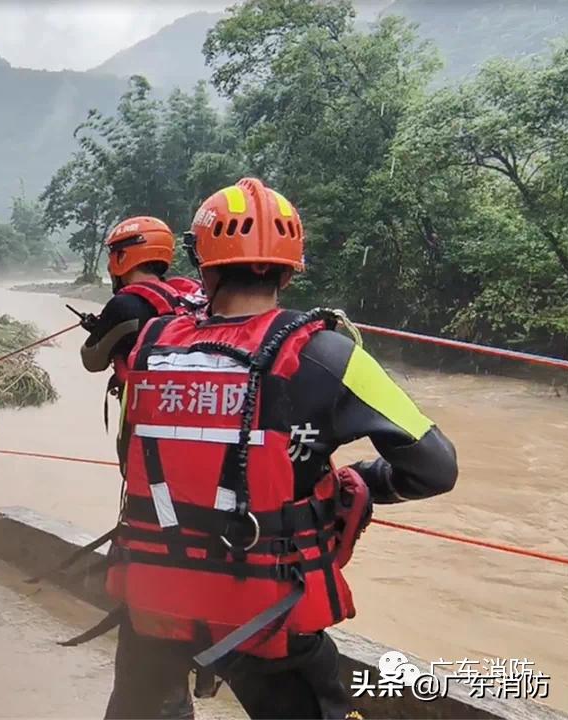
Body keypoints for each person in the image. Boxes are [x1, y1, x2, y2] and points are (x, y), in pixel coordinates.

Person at [84, 178, 458, 719]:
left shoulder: (148, 349)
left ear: (204, 267)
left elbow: (131, 459)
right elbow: (435, 468)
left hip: (153, 597)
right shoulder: (330, 354)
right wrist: (348, 485)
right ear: (289, 269)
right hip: (267, 610)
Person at [80, 217, 205, 426]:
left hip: (146, 425)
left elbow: (92, 360)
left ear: (121, 257)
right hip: (196, 410)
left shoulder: (124, 306)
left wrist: (100, 329)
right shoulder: (189, 295)